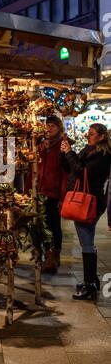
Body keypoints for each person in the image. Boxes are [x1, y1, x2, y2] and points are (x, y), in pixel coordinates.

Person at [61, 123, 111, 300]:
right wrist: (65, 152)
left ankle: (90, 286)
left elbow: (83, 173)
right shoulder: (88, 150)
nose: (87, 136)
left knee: (87, 243)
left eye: (91, 134)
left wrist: (69, 152)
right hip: (84, 198)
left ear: (101, 137)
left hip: (89, 202)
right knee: (87, 242)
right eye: (88, 133)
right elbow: (71, 169)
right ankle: (93, 281)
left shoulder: (103, 156)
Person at [38, 115, 69, 273]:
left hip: (54, 192)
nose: (49, 128)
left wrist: (63, 197)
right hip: (41, 190)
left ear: (59, 128)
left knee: (54, 225)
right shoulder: (42, 145)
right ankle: (49, 256)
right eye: (47, 125)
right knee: (43, 225)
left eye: (52, 125)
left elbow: (65, 174)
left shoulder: (62, 146)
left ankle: (53, 256)